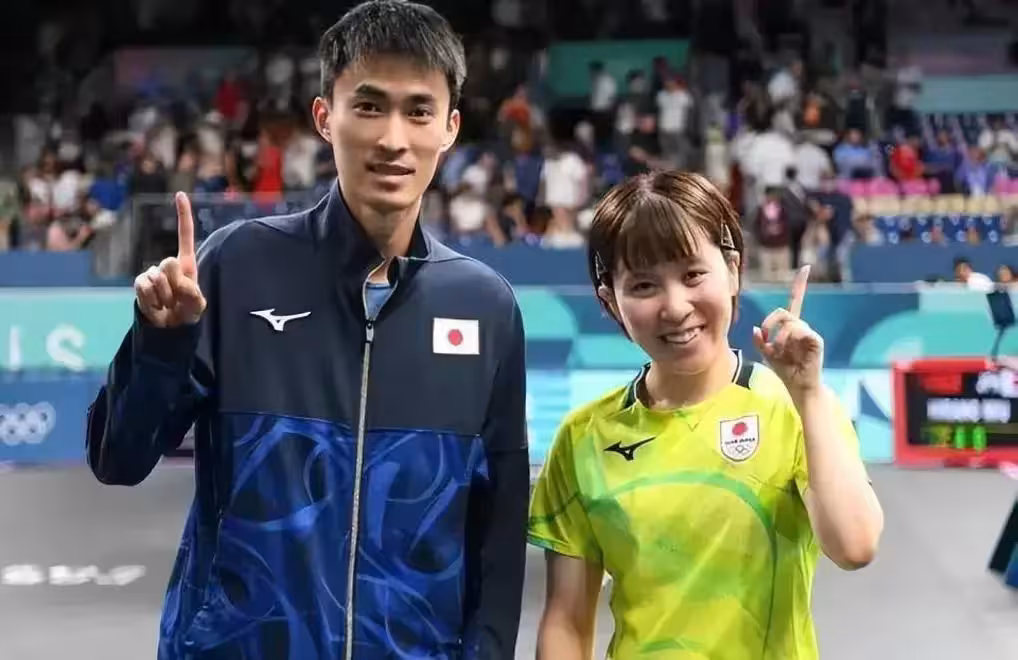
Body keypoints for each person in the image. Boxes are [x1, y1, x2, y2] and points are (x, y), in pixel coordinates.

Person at [84, 2, 530, 658]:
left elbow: (499, 536)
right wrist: (160, 342)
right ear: (325, 117)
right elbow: (118, 459)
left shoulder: (486, 306)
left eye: (419, 111)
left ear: (449, 128)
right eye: (369, 106)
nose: (393, 139)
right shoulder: (237, 265)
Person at [528, 171, 884, 659]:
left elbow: (855, 545)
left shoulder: (797, 408)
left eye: (693, 274)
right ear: (611, 300)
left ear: (733, 269)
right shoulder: (582, 437)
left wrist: (808, 395)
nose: (675, 307)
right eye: (644, 285)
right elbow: (567, 621)